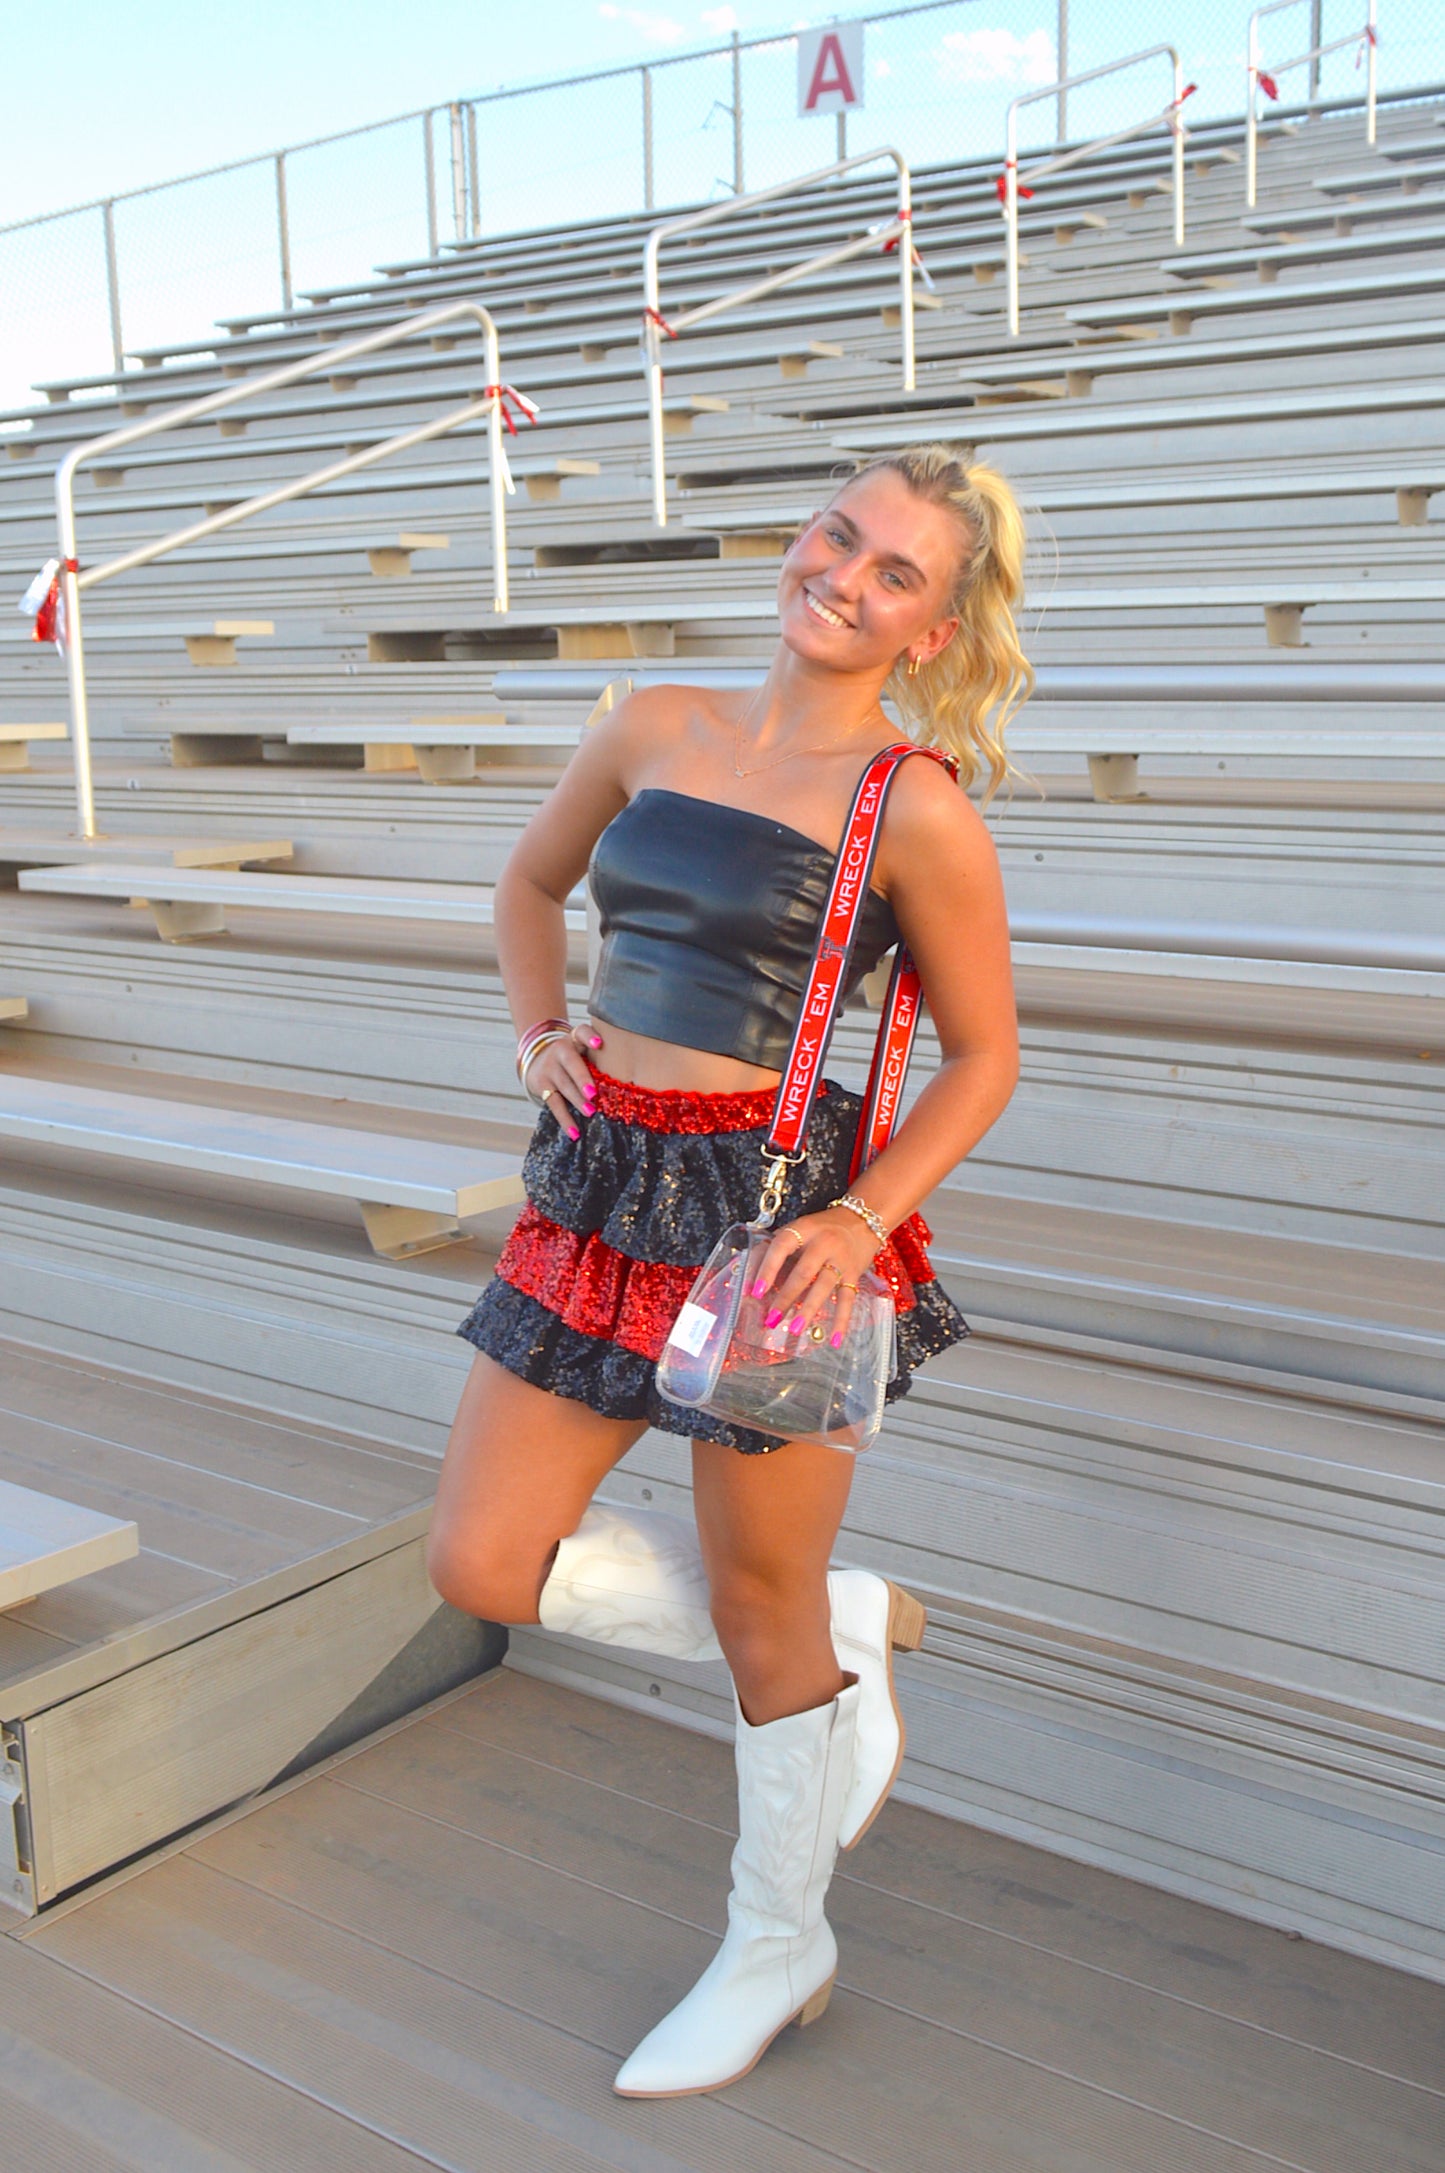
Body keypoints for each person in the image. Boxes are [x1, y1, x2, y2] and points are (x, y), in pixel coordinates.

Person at [426, 442, 1028, 2097]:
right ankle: (845, 1629)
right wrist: (541, 1028)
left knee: (757, 1604)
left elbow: (982, 1056)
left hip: (777, 1212)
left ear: (929, 627)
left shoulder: (911, 805)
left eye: (896, 571)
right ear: (801, 537)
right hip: (598, 1176)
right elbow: (529, 880)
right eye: (840, 536)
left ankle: (779, 1941)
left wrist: (859, 1214)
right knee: (482, 1558)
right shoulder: (651, 722)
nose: (846, 575)